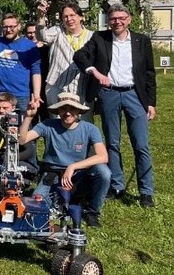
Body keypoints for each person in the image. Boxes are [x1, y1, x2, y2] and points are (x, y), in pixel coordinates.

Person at [73, 2, 157, 207]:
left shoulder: (141, 41)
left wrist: (151, 102)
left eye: (121, 18)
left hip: (134, 95)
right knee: (112, 142)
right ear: (108, 21)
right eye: (113, 19)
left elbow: (149, 73)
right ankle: (116, 185)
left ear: (129, 20)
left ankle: (146, 191)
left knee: (141, 145)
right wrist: (95, 72)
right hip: (109, 94)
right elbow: (79, 56)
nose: (117, 22)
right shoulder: (100, 38)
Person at [19, 92, 111, 228]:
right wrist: (28, 117)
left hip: (79, 174)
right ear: (58, 111)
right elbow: (22, 140)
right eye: (63, 109)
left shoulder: (90, 129)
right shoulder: (47, 125)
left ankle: (92, 212)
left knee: (104, 172)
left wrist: (72, 167)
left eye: (72, 109)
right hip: (53, 175)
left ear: (78, 111)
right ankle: (63, 202)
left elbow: (103, 156)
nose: (67, 113)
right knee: (37, 204)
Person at [36, 0, 93, 116]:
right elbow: (42, 36)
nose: (69, 19)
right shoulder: (58, 31)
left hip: (81, 86)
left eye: (72, 15)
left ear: (81, 17)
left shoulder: (92, 36)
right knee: (57, 120)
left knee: (83, 121)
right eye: (65, 17)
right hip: (56, 85)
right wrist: (41, 17)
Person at [0, 92, 38, 176]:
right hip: (0, 161)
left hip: (20, 161)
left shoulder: (20, 123)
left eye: (5, 108)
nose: (1, 111)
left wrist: (11, 158)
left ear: (13, 108)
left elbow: (30, 150)